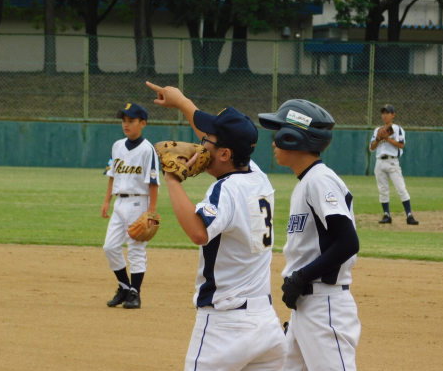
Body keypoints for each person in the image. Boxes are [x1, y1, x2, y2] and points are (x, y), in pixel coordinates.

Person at [146, 81, 287, 371]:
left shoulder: (225, 190)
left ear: (224, 154)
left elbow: (198, 231)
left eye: (207, 141)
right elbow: (218, 141)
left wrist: (172, 178)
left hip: (225, 326)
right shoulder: (258, 177)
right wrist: (182, 102)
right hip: (265, 323)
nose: (200, 145)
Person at [258, 99, 361, 371]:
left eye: (278, 134)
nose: (273, 142)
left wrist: (301, 277)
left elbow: (348, 241)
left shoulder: (319, 181)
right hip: (307, 306)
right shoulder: (307, 182)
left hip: (324, 307)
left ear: (293, 138)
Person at [101, 103, 160, 309]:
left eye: (131, 121)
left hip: (138, 201)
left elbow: (153, 182)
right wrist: (107, 200)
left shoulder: (148, 150)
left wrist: (151, 211)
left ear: (142, 123)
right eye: (123, 121)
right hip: (119, 202)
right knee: (109, 247)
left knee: (135, 248)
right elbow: (111, 175)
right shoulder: (117, 145)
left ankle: (135, 293)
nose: (126, 124)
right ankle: (124, 287)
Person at [370, 104, 419, 225]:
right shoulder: (377, 130)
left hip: (392, 162)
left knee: (401, 188)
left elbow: (401, 145)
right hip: (379, 162)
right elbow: (371, 148)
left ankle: (409, 215)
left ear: (393, 115)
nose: (385, 115)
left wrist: (387, 138)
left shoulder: (398, 129)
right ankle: (387, 215)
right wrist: (377, 139)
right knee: (383, 190)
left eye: (387, 113)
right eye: (383, 113)